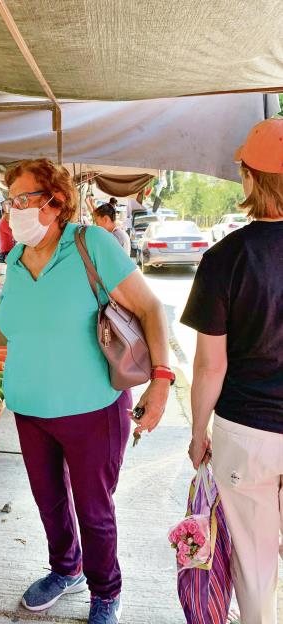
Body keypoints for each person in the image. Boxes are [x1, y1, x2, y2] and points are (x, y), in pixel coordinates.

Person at [0, 158, 171, 624]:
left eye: (23, 199)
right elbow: (7, 330)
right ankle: (65, 568)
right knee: (49, 502)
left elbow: (151, 309)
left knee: (95, 511)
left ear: (55, 202)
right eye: (11, 201)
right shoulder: (14, 259)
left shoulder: (92, 244)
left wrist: (161, 380)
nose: (14, 210)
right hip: (30, 409)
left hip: (93, 409)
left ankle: (105, 590)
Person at [181, 118, 283, 624]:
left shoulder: (225, 258)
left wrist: (199, 431)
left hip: (247, 433)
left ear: (250, 178)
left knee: (255, 563)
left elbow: (209, 364)